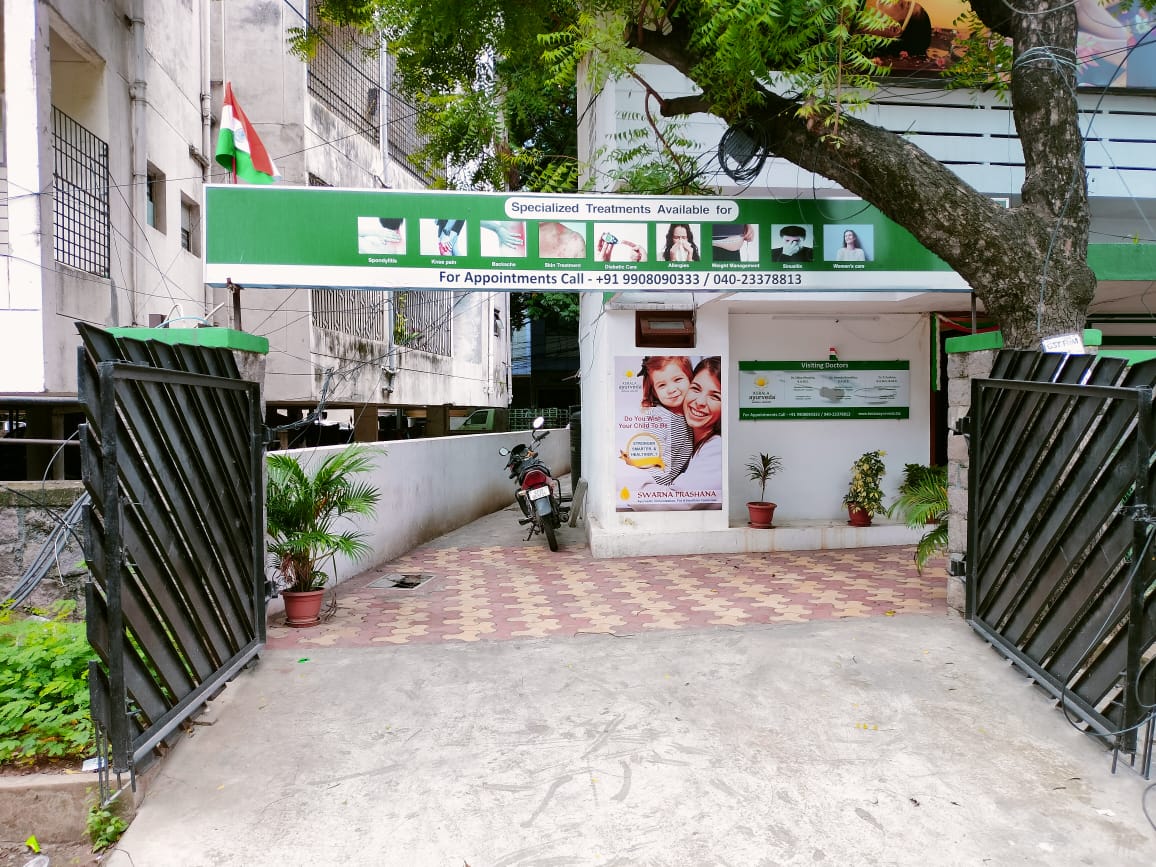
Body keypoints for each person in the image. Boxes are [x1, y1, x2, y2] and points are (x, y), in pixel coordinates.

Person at [637, 356, 723, 507]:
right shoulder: (659, 418)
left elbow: (675, 503)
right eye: (696, 389)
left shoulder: (716, 448)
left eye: (715, 396)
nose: (700, 402)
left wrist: (638, 488)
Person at [630, 356, 695, 486]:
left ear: (691, 379)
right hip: (653, 487)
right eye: (662, 385)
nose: (671, 389)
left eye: (677, 379)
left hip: (671, 488)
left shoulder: (691, 415)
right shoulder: (658, 416)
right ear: (654, 391)